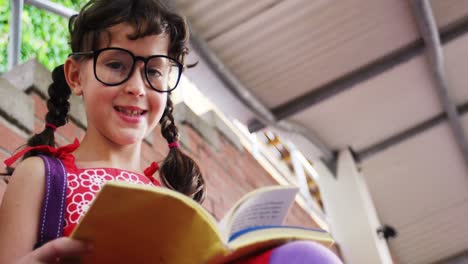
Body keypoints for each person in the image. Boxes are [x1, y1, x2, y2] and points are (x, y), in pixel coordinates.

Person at [0, 0, 342, 263]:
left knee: (306, 256)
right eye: (116, 64)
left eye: (153, 72)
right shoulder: (42, 174)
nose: (136, 87)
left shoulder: (172, 202)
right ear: (76, 76)